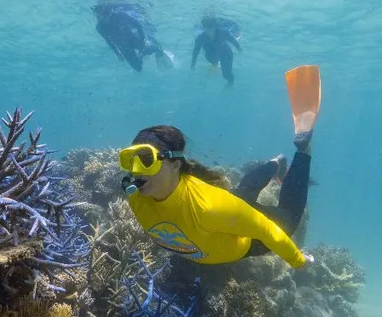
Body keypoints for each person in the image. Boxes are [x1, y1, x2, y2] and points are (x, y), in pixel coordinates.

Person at [119, 65, 322, 269]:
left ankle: (303, 150)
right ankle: (275, 163)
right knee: (243, 193)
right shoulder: (136, 196)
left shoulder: (211, 207)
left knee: (290, 217)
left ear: (174, 165)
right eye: (130, 159)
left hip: (247, 243)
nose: (136, 170)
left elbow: (267, 231)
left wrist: (297, 260)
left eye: (146, 160)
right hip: (226, 216)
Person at [93, 1, 173, 72]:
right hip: (123, 46)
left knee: (153, 48)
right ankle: (142, 54)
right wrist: (117, 53)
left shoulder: (119, 15)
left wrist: (143, 39)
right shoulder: (100, 27)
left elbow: (136, 24)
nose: (101, 19)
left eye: (103, 16)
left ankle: (157, 49)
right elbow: (108, 41)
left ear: (109, 13)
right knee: (138, 68)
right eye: (99, 16)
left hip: (133, 39)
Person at [191, 16, 242, 87]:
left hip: (225, 53)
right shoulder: (200, 38)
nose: (207, 29)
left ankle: (230, 83)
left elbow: (233, 41)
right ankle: (214, 65)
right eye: (205, 26)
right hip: (212, 54)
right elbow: (196, 51)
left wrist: (239, 49)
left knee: (226, 75)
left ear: (215, 26)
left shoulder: (223, 33)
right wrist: (193, 63)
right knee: (209, 54)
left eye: (209, 26)